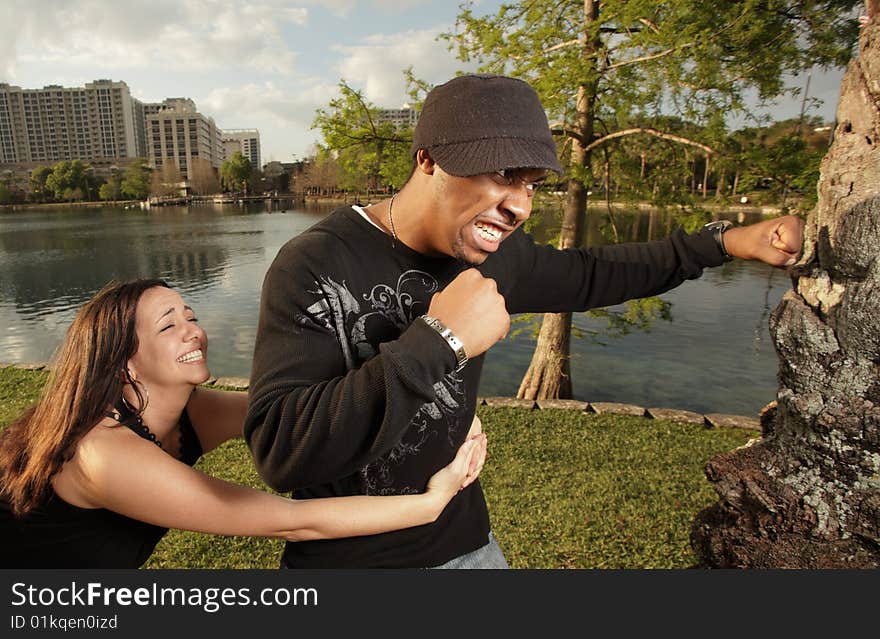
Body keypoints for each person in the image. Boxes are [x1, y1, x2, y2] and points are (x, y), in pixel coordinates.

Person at [244, 74, 805, 569]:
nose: (522, 205)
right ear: (430, 159)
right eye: (504, 174)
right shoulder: (314, 263)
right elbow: (282, 452)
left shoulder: (495, 260)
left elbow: (594, 273)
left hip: (469, 547)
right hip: (349, 568)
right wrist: (443, 340)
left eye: (532, 184)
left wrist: (723, 242)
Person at [0, 278, 486, 569]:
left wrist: (439, 403)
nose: (194, 330)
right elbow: (296, 524)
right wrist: (432, 502)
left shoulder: (188, 411)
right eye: (168, 326)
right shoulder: (105, 454)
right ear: (123, 362)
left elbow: (312, 408)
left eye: (189, 315)